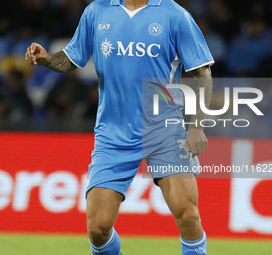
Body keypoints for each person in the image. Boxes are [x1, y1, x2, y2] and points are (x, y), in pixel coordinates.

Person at [25, 0, 214, 254]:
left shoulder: (175, 15)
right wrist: (47, 58)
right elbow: (72, 59)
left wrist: (196, 127)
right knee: (97, 229)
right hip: (113, 134)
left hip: (164, 131)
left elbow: (202, 73)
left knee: (188, 216)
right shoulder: (96, 11)